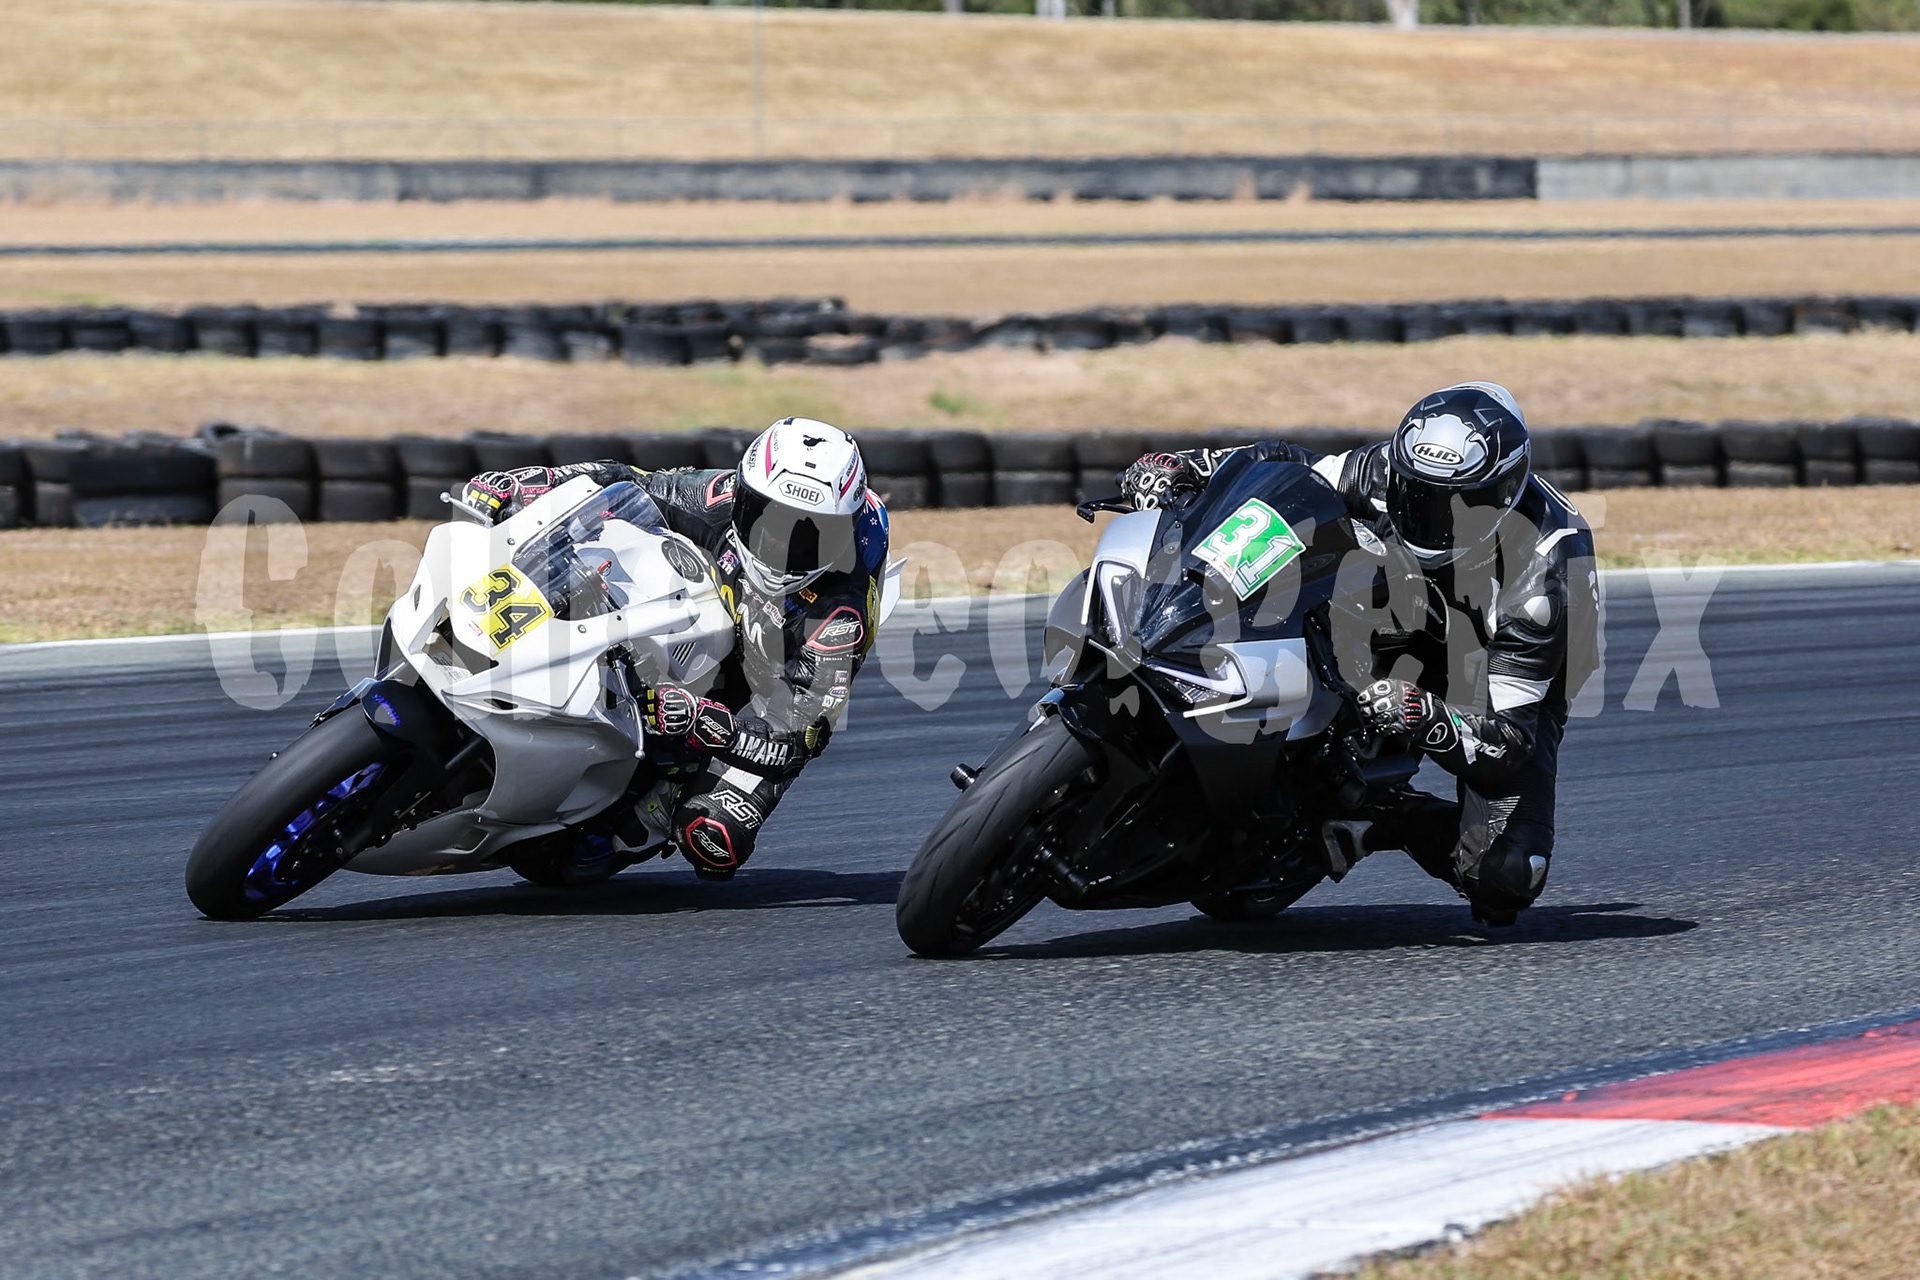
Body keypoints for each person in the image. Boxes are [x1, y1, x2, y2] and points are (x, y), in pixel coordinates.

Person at [1117, 382, 1598, 926]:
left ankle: (1380, 816)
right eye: (1418, 493)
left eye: (1456, 505)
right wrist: (1186, 466)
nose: (1430, 514)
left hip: (1490, 669)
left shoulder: (1543, 581)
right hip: (1399, 603)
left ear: (1504, 493)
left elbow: (1507, 744)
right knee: (1307, 551)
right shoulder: (1385, 471)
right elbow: (1285, 467)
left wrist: (1426, 716)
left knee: (1506, 873)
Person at [460, 418, 889, 881]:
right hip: (702, 603)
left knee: (712, 833)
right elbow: (627, 480)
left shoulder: (839, 619)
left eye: (809, 536)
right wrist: (529, 484)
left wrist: (713, 727)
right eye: (767, 518)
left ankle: (659, 801)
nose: (780, 544)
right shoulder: (719, 497)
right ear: (744, 497)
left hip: (773, 674)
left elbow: (796, 740)